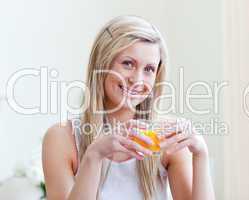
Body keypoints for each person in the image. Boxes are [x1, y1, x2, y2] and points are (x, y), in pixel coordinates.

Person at [42, 15, 215, 200]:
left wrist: (201, 155)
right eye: (128, 64)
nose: (137, 79)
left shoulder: (167, 137)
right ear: (102, 64)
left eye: (148, 69)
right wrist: (94, 155)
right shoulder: (61, 138)